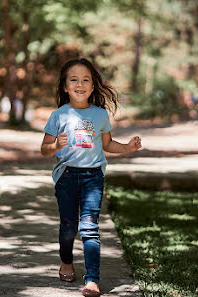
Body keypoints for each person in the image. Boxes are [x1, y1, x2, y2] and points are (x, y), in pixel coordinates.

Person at [40, 58, 142, 297]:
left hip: (93, 177)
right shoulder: (58, 115)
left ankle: (92, 279)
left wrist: (127, 147)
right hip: (66, 176)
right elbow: (43, 149)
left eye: (86, 79)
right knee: (68, 226)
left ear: (93, 86)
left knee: (90, 228)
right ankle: (66, 262)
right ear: (65, 86)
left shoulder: (100, 115)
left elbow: (107, 145)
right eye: (74, 80)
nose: (80, 84)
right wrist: (55, 145)